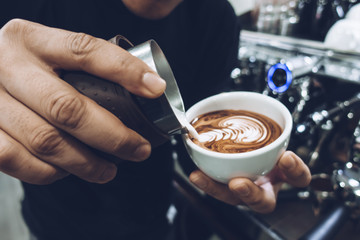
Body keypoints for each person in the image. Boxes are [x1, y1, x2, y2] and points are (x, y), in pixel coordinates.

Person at [0, 0, 311, 239]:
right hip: (55, 219)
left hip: (149, 216)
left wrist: (244, 170)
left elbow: (191, 139)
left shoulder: (217, 18)